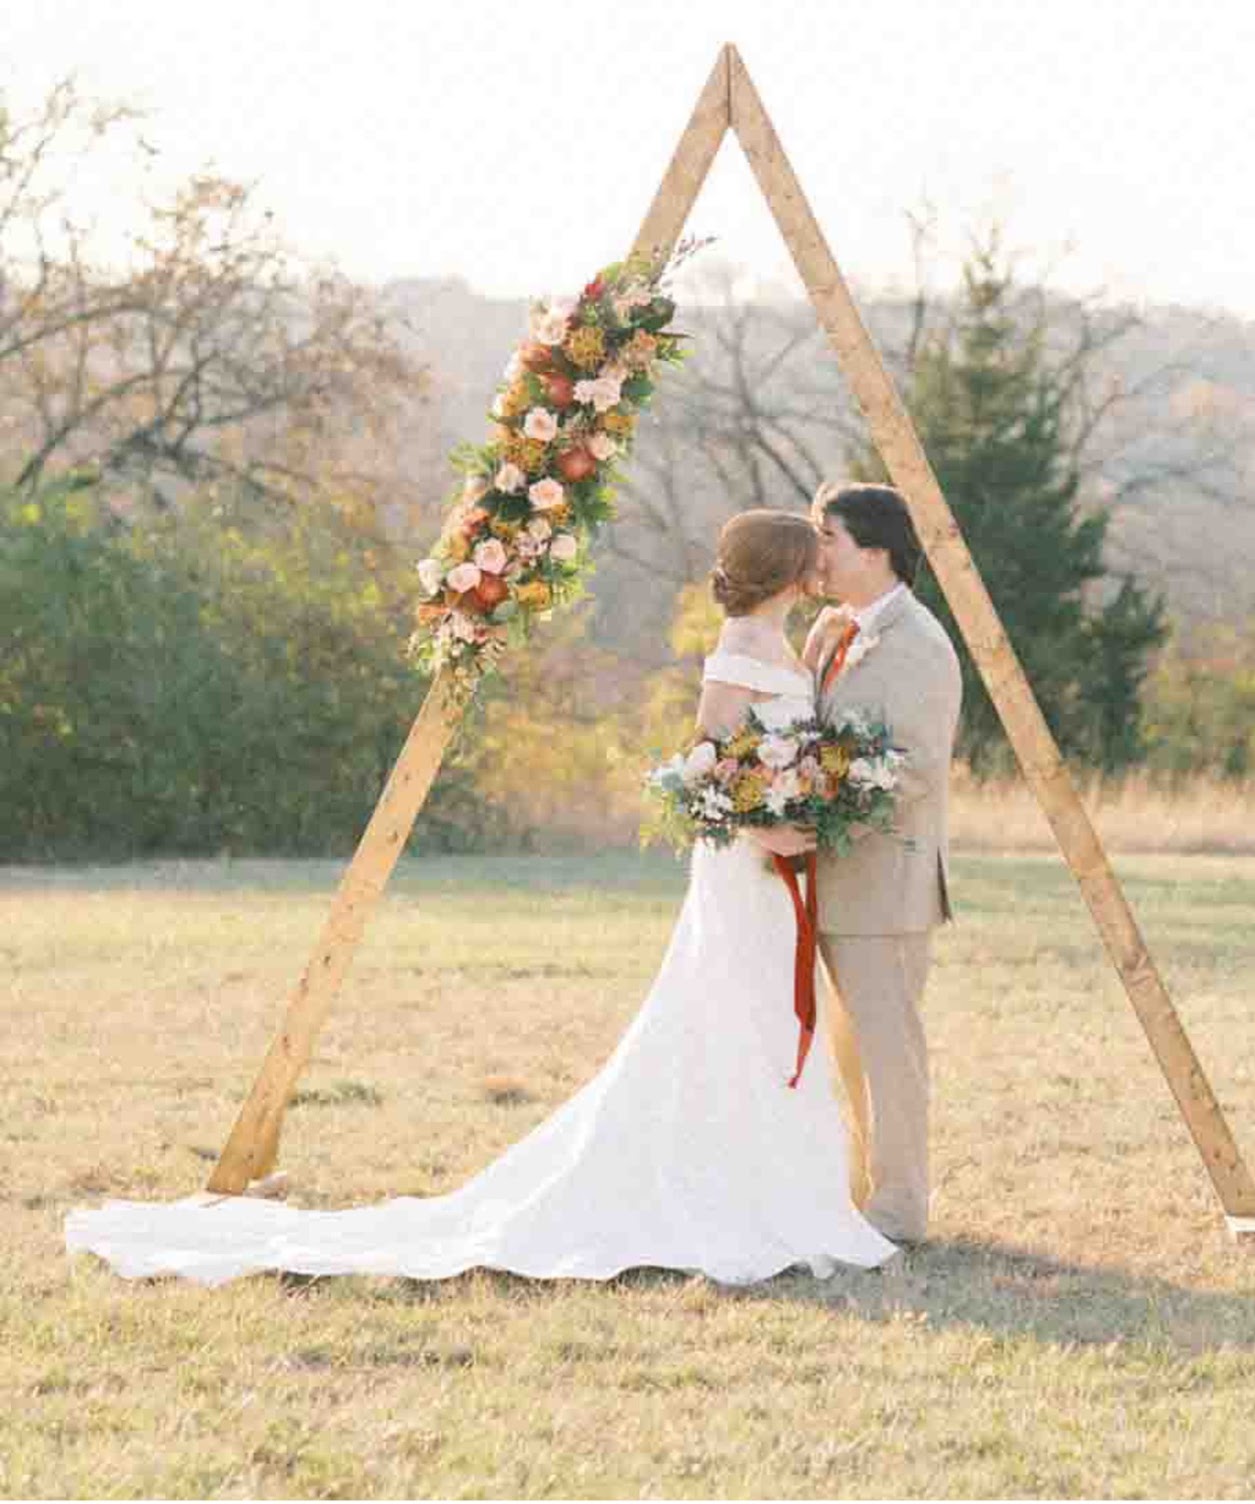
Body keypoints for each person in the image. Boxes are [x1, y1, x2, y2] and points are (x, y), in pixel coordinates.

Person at [64, 509, 896, 1287]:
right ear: (786, 571)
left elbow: (766, 754)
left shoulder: (786, 640)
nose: (821, 567)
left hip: (778, 870)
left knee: (769, 1014)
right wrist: (767, 832)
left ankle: (769, 1180)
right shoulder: (742, 646)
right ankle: (720, 1187)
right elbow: (707, 763)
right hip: (746, 864)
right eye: (810, 558)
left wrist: (809, 803)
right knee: (731, 1008)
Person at [804, 482, 961, 1244]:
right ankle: (856, 1192)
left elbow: (915, 768)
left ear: (876, 550)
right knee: (845, 1051)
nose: (817, 553)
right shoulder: (838, 633)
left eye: (826, 537)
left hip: (885, 886)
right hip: (832, 884)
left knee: (889, 1052)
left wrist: (816, 816)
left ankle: (900, 1210)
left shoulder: (919, 642)